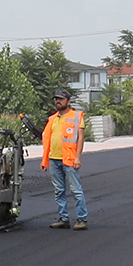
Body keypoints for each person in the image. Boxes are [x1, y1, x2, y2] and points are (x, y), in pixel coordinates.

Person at [40, 87, 89, 230]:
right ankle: (64, 218)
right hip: (54, 159)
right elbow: (47, 140)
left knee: (76, 190)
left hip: (69, 159)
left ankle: (82, 219)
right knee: (59, 190)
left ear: (68, 101)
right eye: (56, 99)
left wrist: (78, 158)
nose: (58, 101)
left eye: (61, 99)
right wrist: (45, 161)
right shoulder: (52, 119)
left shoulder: (76, 116)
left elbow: (80, 138)